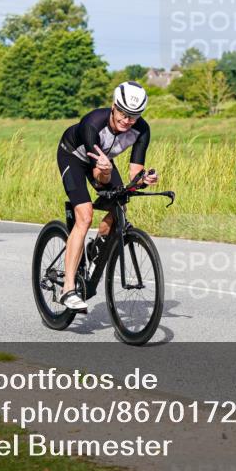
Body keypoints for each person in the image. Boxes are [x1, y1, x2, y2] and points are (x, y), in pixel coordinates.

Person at [55, 81, 158, 311]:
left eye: (134, 115)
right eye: (123, 112)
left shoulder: (142, 130)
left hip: (103, 162)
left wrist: (144, 178)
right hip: (73, 156)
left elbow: (135, 173)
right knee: (85, 215)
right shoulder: (93, 124)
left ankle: (95, 248)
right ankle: (68, 288)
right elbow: (99, 177)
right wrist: (105, 170)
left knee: (120, 206)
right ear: (113, 106)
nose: (127, 120)